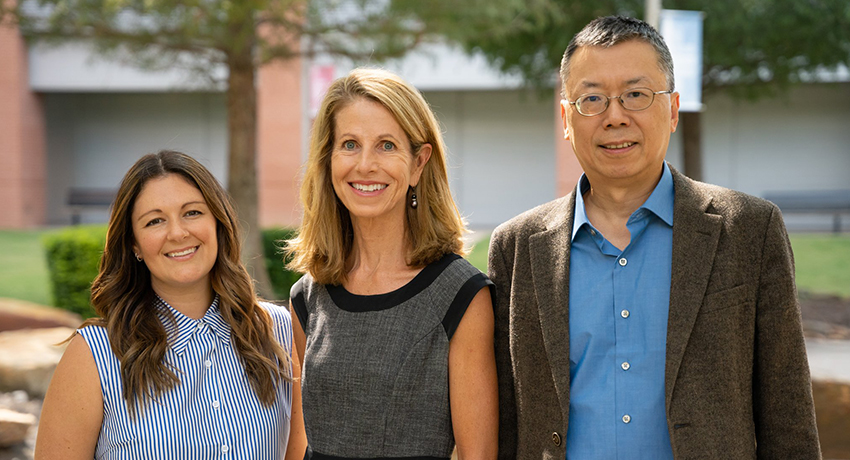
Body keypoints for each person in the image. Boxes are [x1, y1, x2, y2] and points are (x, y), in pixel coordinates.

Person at [489, 15, 821, 460]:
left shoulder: (748, 230)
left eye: (636, 95)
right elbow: (507, 422)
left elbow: (788, 417)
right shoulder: (517, 246)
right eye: (592, 99)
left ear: (672, 108)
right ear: (567, 118)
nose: (614, 117)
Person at [35, 150, 307, 459]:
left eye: (192, 213)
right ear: (134, 244)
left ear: (217, 222)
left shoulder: (278, 331)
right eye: (154, 221)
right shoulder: (94, 356)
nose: (178, 233)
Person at [286, 68, 498, 460]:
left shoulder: (461, 295)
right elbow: (297, 445)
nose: (365, 165)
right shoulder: (308, 296)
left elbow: (478, 454)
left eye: (386, 146)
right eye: (349, 144)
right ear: (328, 159)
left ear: (419, 163)